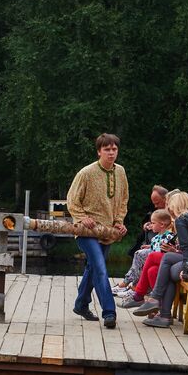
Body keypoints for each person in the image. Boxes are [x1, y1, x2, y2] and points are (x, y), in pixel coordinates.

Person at [132, 189, 188, 328]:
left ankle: (160, 308)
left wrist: (186, 269)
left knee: (168, 264)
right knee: (167, 262)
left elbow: (187, 248)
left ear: (177, 205)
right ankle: (160, 308)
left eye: (171, 206)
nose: (170, 211)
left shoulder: (182, 219)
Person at [66, 133, 129, 328]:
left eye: (114, 149)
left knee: (93, 267)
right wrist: (82, 217)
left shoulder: (120, 172)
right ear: (99, 151)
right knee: (100, 268)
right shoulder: (86, 173)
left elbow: (123, 199)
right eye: (107, 149)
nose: (111, 153)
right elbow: (72, 199)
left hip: (107, 232)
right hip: (87, 231)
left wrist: (119, 221)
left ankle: (81, 304)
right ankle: (109, 313)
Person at [116, 209, 174, 306]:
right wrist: (149, 246)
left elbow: (166, 251)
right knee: (149, 270)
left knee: (147, 264)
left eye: (153, 223)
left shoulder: (169, 237)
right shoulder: (155, 238)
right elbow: (155, 248)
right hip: (155, 264)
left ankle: (137, 290)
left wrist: (173, 249)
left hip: (163, 264)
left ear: (162, 225)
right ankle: (152, 299)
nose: (151, 225)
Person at [127, 186, 169, 257]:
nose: (155, 206)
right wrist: (147, 224)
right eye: (154, 203)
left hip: (161, 246)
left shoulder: (172, 211)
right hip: (149, 244)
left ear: (165, 198)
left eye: (157, 203)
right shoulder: (155, 211)